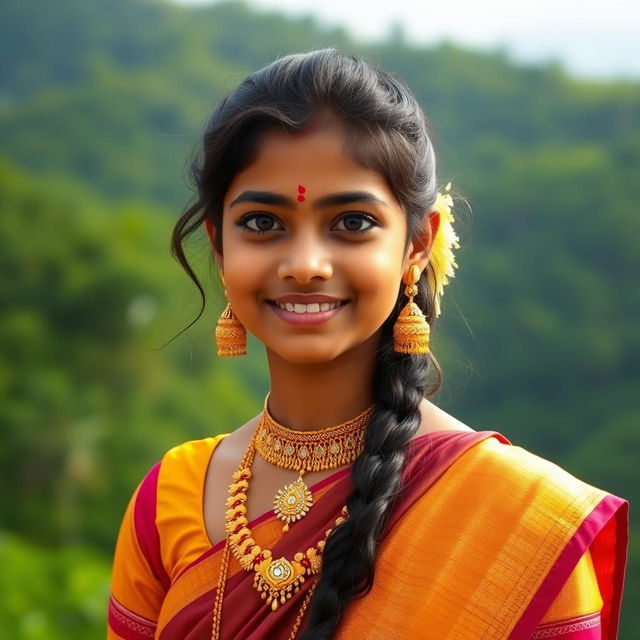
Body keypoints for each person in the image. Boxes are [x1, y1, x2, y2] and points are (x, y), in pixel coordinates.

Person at [107, 48, 628, 640]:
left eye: (352, 223)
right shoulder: (170, 497)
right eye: (262, 223)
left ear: (416, 243)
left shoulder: (521, 521)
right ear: (220, 246)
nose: (305, 265)